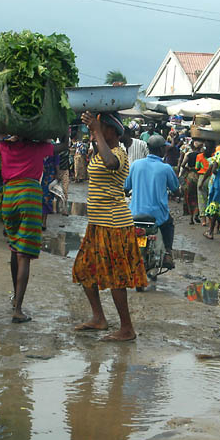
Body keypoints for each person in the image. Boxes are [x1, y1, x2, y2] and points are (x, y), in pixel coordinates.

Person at [72, 112, 147, 341]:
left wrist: (96, 133)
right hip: (97, 223)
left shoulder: (118, 154)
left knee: (116, 278)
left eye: (102, 127)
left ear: (112, 132)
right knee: (83, 270)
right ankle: (99, 318)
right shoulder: (100, 150)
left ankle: (127, 329)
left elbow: (111, 164)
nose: (97, 130)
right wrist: (95, 132)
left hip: (114, 223)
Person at [0, 135, 55, 323]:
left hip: (9, 196)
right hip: (29, 195)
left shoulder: (5, 146)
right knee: (24, 255)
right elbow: (62, 145)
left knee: (15, 248)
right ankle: (18, 309)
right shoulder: (38, 148)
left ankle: (15, 298)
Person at [125, 134, 180, 267]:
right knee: (169, 224)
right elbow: (176, 189)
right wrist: (178, 193)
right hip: (158, 216)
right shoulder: (166, 168)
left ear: (148, 148)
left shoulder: (135, 165)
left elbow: (126, 187)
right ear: (161, 149)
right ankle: (167, 253)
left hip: (135, 213)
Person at [180, 140, 203, 224]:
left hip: (190, 177)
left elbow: (183, 165)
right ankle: (197, 214)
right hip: (199, 177)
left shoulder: (189, 155)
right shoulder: (202, 156)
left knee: (189, 196)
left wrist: (188, 169)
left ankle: (191, 217)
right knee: (198, 196)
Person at [195, 142, 213, 226]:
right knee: (211, 199)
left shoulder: (199, 156)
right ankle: (211, 219)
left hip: (202, 177)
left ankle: (203, 221)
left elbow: (197, 167)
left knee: (201, 199)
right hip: (212, 178)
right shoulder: (214, 156)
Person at [56, 136, 71, 215]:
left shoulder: (58, 149)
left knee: (64, 191)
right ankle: (60, 208)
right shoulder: (59, 149)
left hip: (64, 171)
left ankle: (63, 209)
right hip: (60, 171)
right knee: (59, 191)